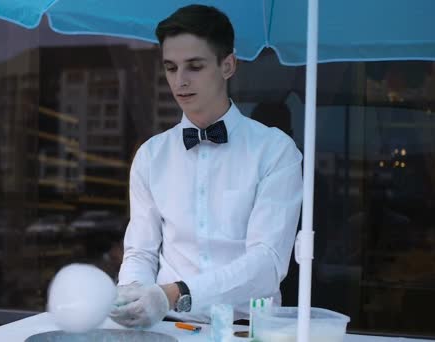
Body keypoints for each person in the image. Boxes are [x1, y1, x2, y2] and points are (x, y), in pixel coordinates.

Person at [109, 4, 303, 328]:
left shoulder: (276, 151)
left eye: (194, 66)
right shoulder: (150, 156)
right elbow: (140, 253)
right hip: (166, 327)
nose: (180, 81)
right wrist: (130, 295)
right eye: (170, 68)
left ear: (228, 65)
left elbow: (267, 264)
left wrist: (175, 292)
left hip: (248, 330)